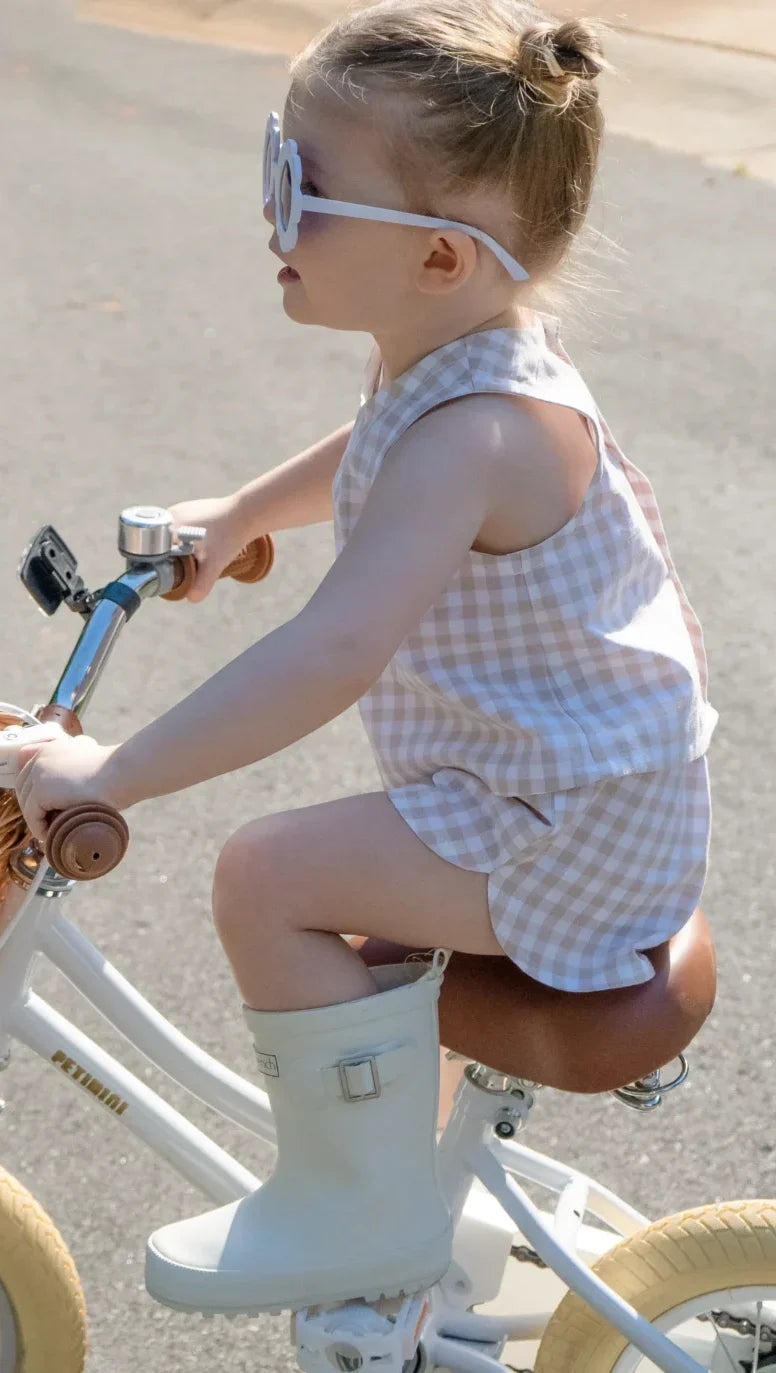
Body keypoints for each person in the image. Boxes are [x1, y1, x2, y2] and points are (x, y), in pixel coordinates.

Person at [15, 0, 717, 1320]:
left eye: (301, 185)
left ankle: (356, 1209)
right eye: (273, 163)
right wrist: (237, 516)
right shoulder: (450, 368)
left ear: (440, 259)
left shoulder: (487, 434)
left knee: (268, 873)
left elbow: (332, 648)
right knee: (348, 900)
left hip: (575, 831)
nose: (270, 212)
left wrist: (118, 770)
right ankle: (409, 1188)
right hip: (556, 796)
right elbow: (370, 449)